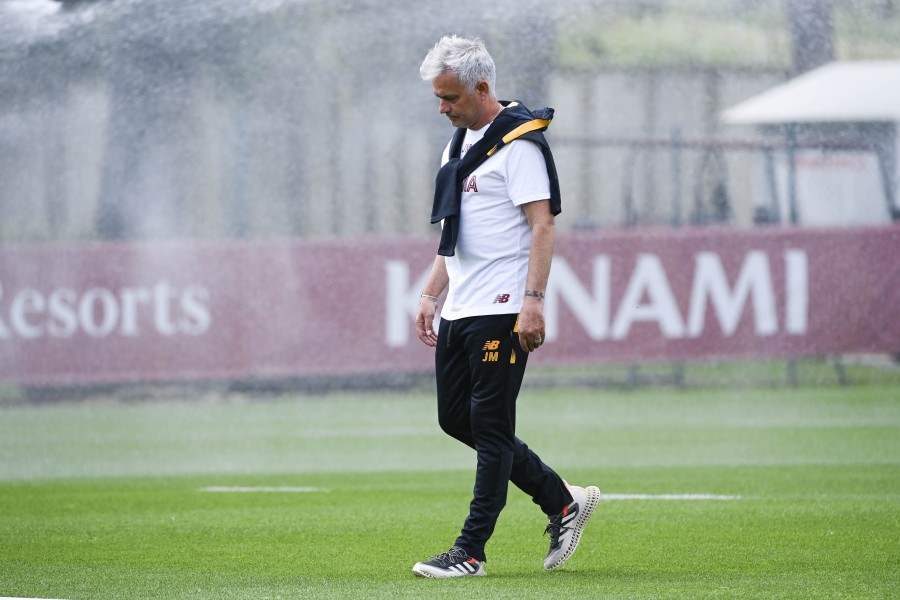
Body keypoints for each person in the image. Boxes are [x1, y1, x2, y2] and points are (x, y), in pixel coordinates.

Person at [412, 35, 600, 578]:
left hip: (502, 307)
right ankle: (562, 500)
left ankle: (470, 551)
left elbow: (542, 224)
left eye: (449, 98)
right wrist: (430, 293)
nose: (442, 108)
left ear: (482, 87)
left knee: (490, 429)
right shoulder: (457, 144)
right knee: (457, 420)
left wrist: (533, 302)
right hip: (460, 309)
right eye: (439, 99)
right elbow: (456, 230)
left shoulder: (519, 145)